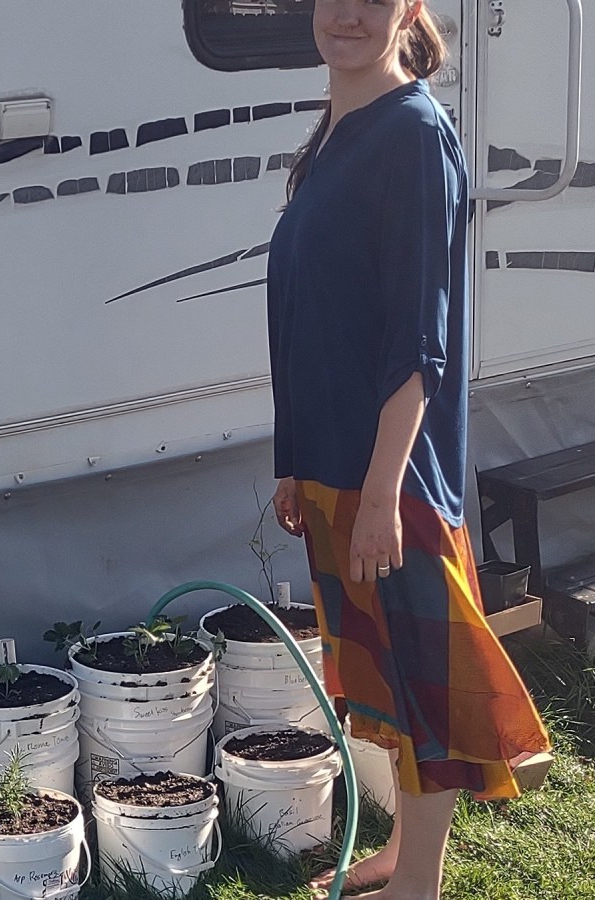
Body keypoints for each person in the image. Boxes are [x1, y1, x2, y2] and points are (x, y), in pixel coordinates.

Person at [266, 1, 552, 897]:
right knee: (383, 674)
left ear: (408, 11)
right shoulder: (340, 123)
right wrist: (292, 457)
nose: (348, 13)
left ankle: (418, 883)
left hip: (389, 471)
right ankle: (400, 855)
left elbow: (417, 343)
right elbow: (309, 311)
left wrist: (385, 490)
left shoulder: (415, 134)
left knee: (427, 686)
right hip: (331, 459)